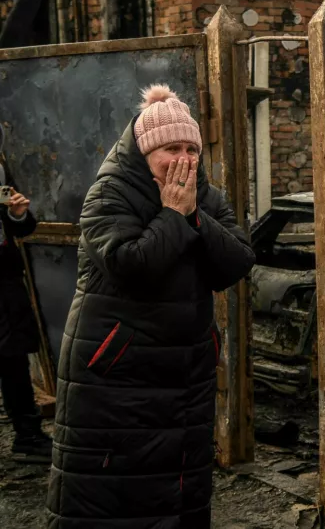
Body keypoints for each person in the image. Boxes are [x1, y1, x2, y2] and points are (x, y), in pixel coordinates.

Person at [46, 84, 256, 528]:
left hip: (185, 374)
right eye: (169, 149)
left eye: (190, 148)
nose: (183, 159)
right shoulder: (108, 196)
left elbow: (237, 262)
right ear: (144, 152)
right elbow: (133, 266)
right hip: (118, 373)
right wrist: (174, 217)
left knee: (178, 486)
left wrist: (195, 216)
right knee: (112, 493)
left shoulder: (207, 198)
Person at [0, 156, 52, 464]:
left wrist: (18, 214)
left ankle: (28, 436)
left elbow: (22, 227)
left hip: (5, 280)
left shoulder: (2, 167)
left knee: (13, 357)